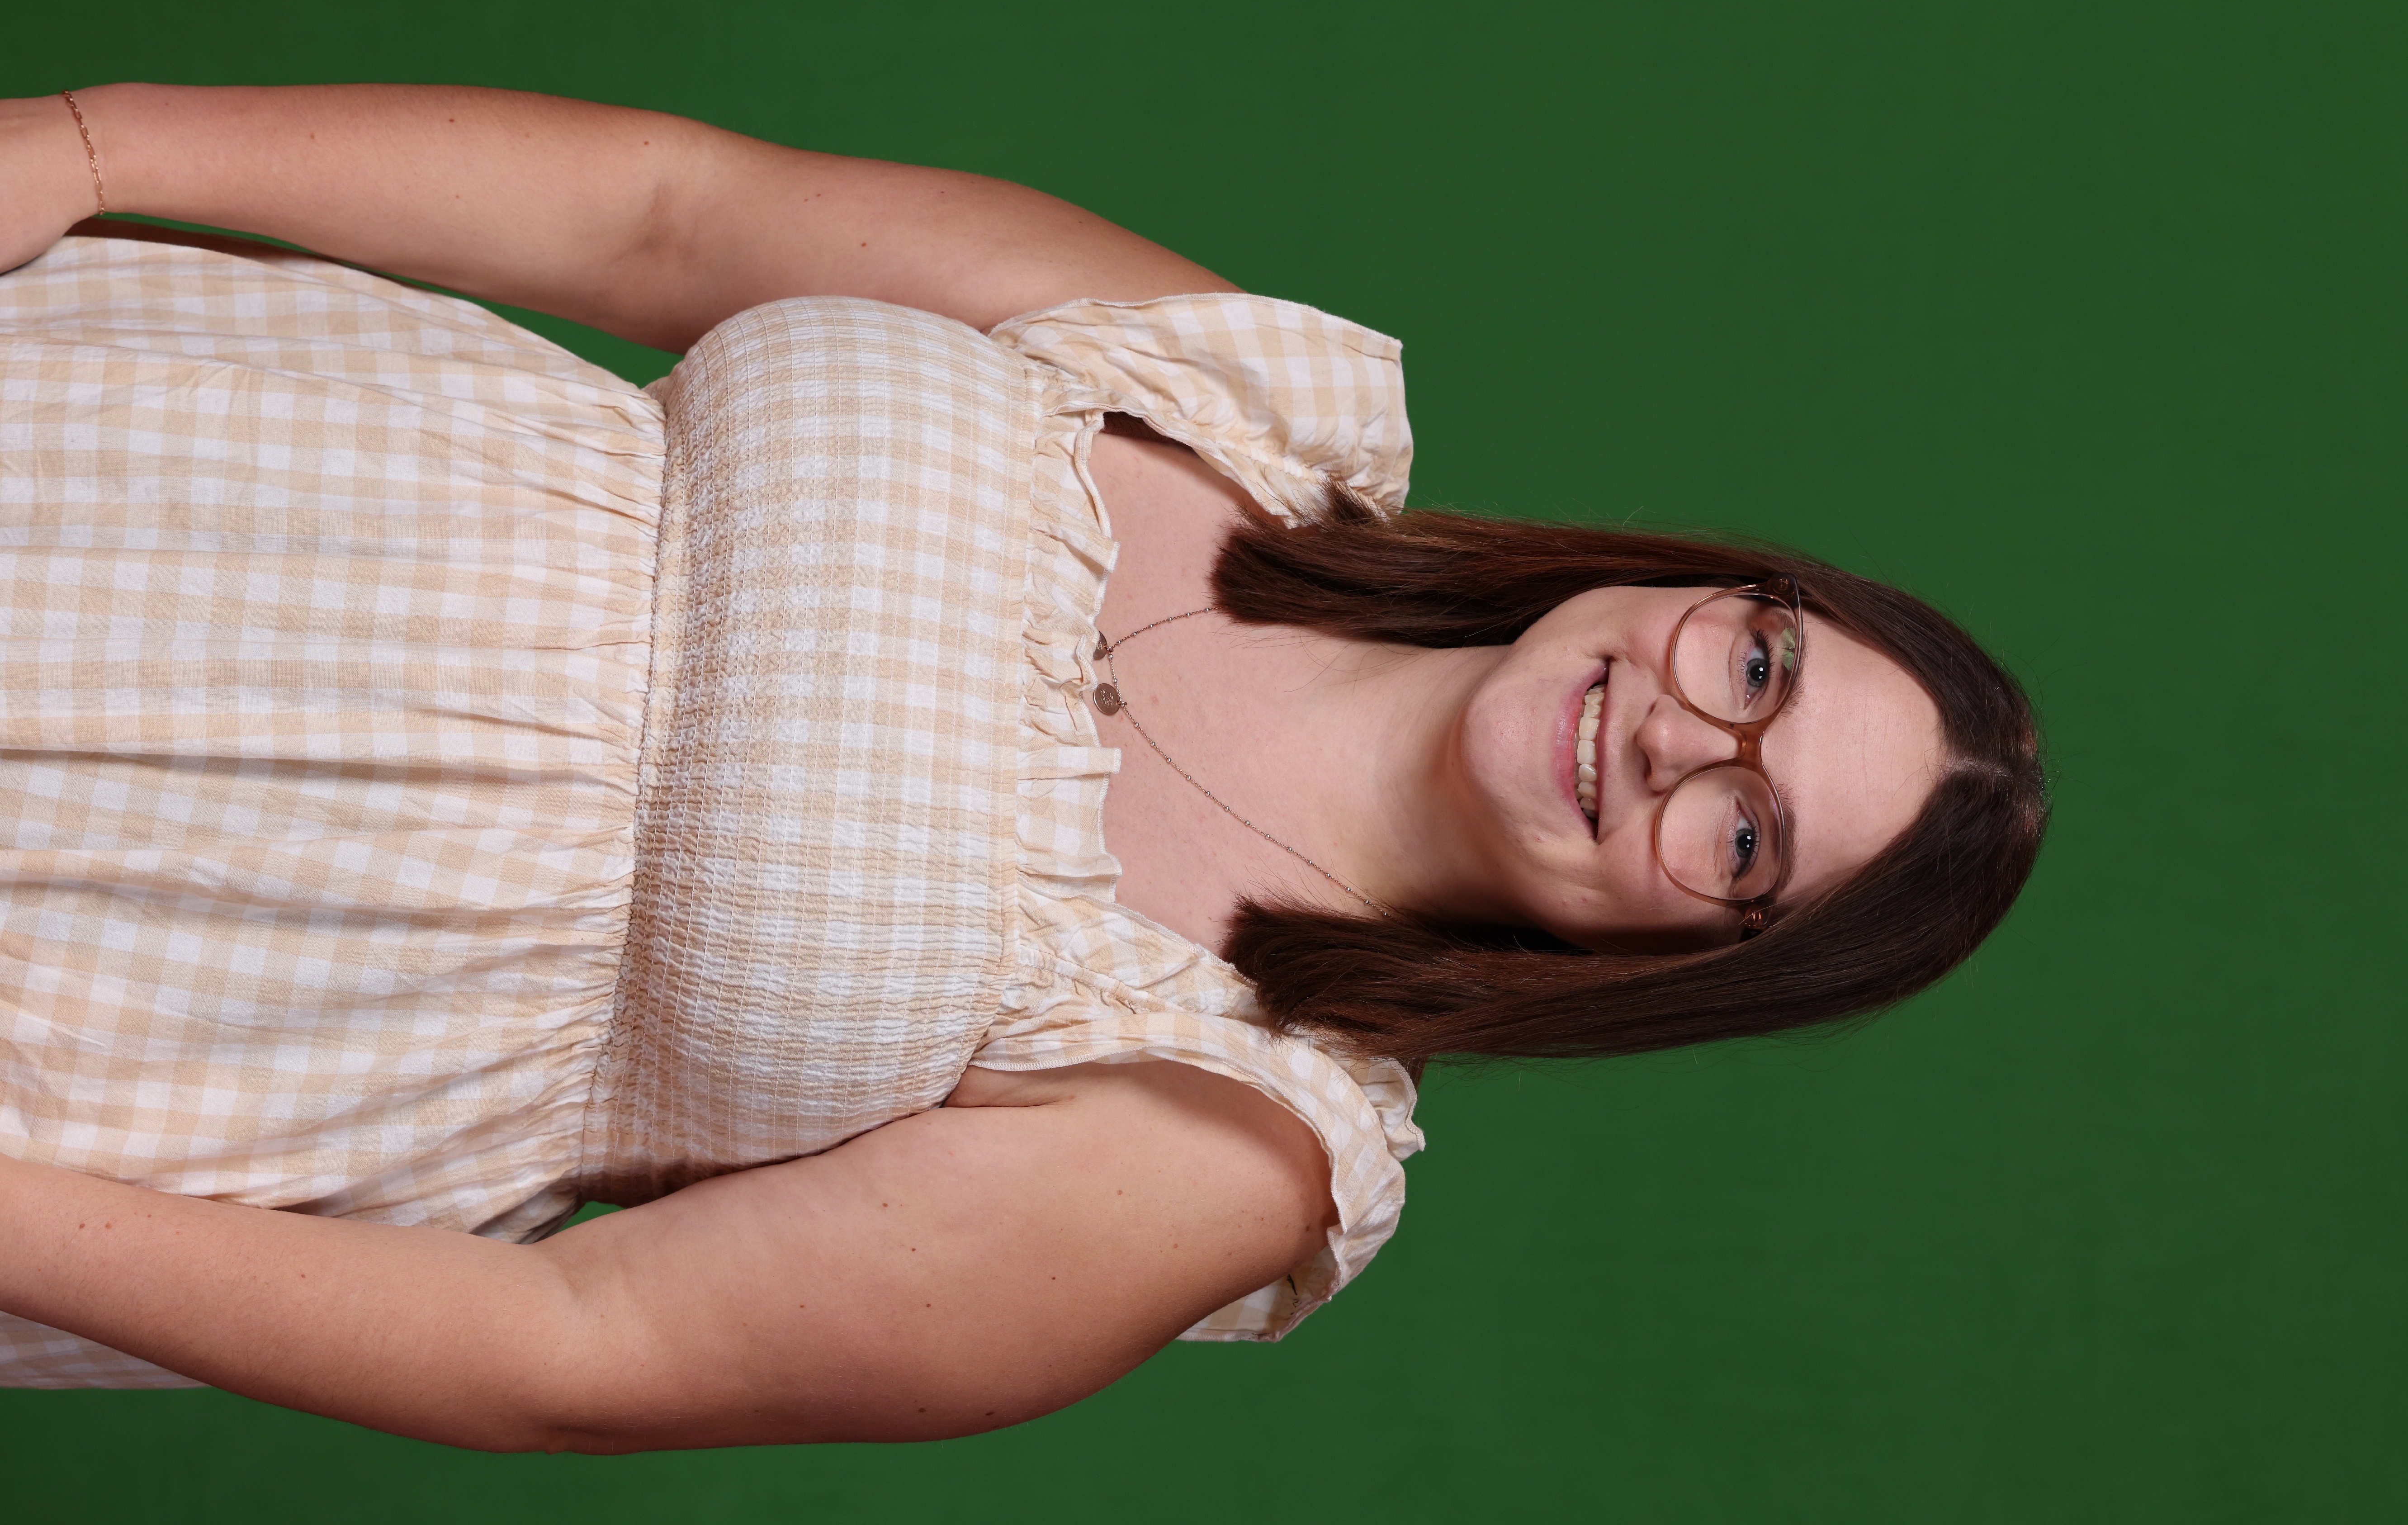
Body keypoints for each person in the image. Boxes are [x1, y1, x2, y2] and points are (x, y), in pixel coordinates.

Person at [0, 85, 2046, 1449]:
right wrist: (91, 144)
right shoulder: (1219, 387)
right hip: (112, 442)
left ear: (1688, 964)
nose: (1684, 734)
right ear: (1711, 588)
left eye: (1747, 832)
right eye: (1758, 662)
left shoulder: (1227, 1141)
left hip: (115, 996)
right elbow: (660, 213)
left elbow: (571, 1353)